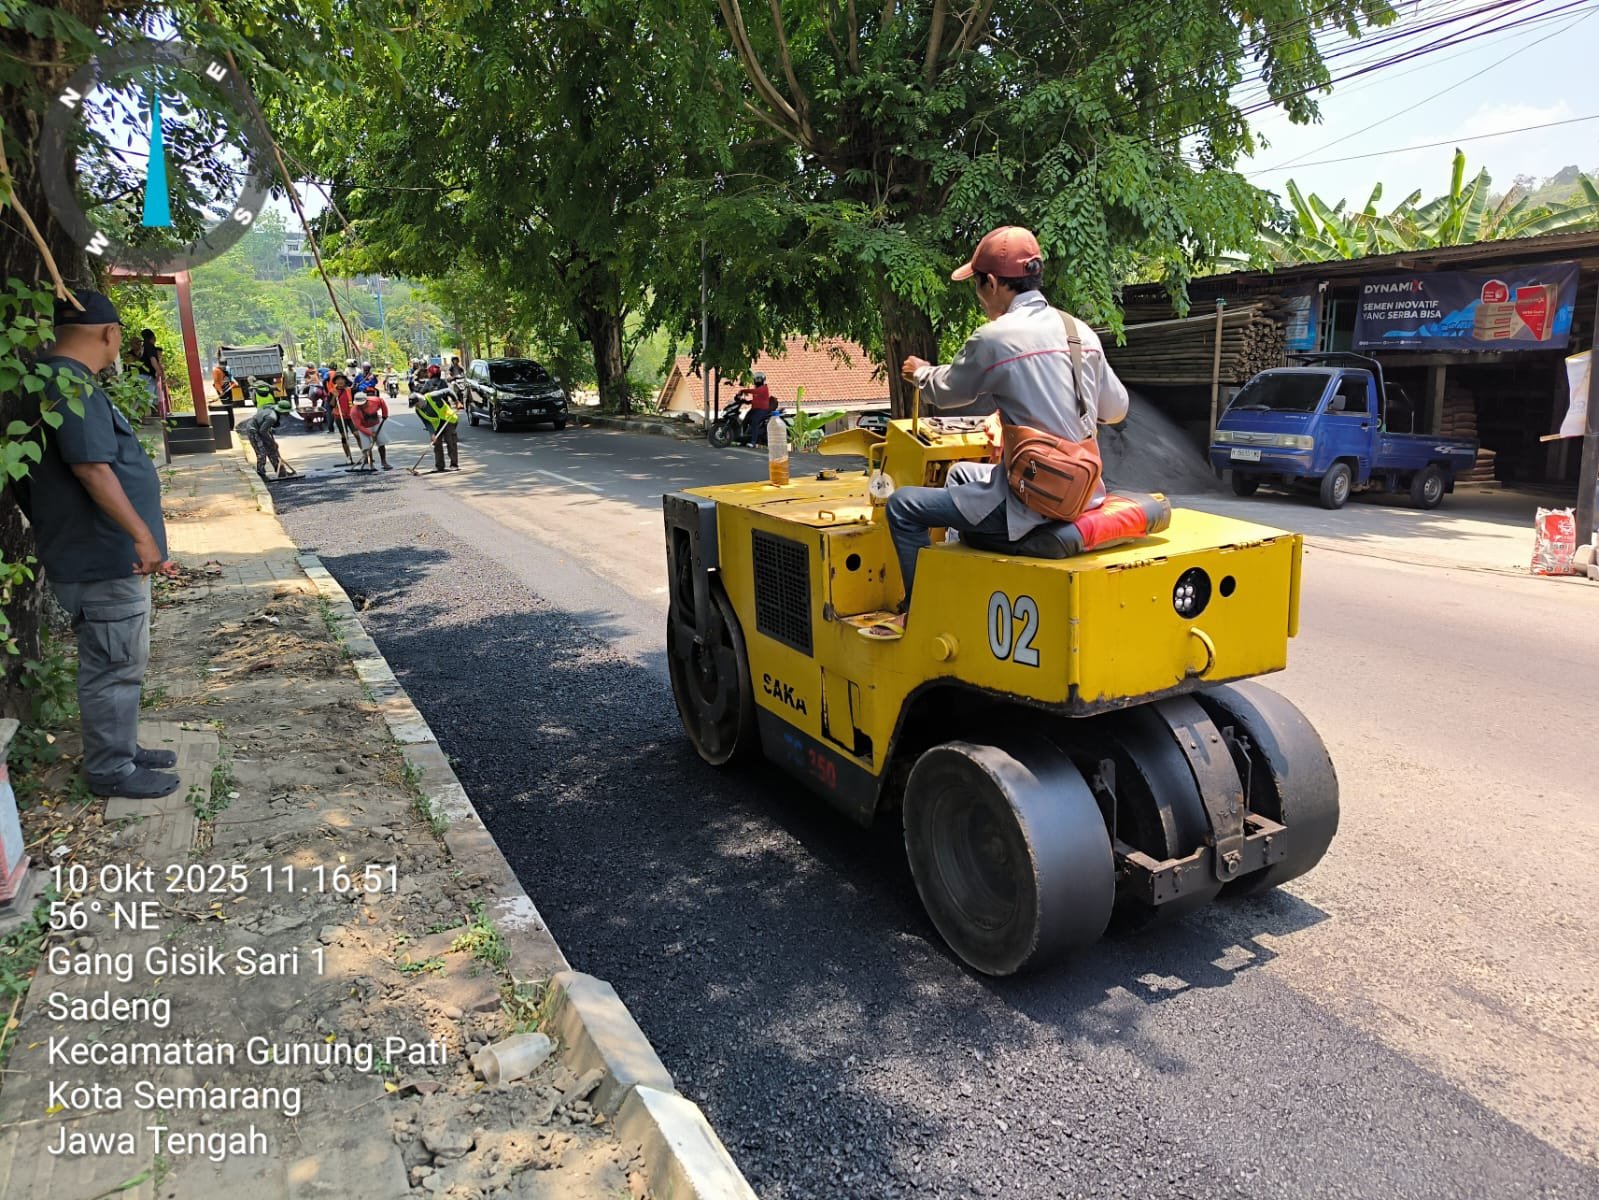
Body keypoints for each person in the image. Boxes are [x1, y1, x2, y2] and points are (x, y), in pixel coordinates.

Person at [888, 225, 1129, 607]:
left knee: (902, 506)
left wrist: (920, 372)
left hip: (1032, 504)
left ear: (995, 283)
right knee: (961, 474)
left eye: (979, 286)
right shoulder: (1078, 331)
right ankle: (971, 581)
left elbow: (948, 392)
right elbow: (1116, 410)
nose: (980, 297)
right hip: (1084, 494)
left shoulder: (996, 337)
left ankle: (924, 609)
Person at [20, 291, 180, 799]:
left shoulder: (57, 381)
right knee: (113, 665)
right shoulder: (67, 385)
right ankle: (111, 769)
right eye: (120, 339)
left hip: (95, 553)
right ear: (109, 334)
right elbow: (91, 467)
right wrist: (141, 535)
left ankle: (122, 749)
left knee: (121, 661)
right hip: (102, 557)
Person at [415, 366, 460, 472]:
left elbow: (423, 394)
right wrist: (432, 433)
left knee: (439, 443)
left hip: (445, 416)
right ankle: (453, 464)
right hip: (440, 416)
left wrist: (457, 402)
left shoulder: (428, 387)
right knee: (450, 442)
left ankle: (440, 466)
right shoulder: (443, 382)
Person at [235, 399, 289, 480]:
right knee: (261, 452)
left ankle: (280, 470)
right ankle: (261, 474)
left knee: (272, 449)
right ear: (282, 411)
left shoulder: (272, 409)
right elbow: (262, 431)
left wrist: (272, 443)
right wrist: (272, 441)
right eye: (286, 412)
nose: (287, 414)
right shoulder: (272, 417)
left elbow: (264, 428)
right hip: (253, 430)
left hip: (261, 428)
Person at [349, 391, 392, 470]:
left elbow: (382, 402)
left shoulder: (375, 401)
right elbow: (358, 426)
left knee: (381, 443)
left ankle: (384, 462)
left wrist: (385, 414)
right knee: (367, 447)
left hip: (376, 424)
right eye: (359, 404)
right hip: (364, 427)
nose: (361, 406)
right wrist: (370, 434)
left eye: (363, 404)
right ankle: (371, 464)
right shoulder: (354, 411)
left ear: (367, 401)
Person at [735, 372, 776, 445]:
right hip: (754, 409)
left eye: (759, 379)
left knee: (754, 422)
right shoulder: (757, 389)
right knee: (745, 421)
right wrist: (747, 402)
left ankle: (753, 442)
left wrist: (743, 391)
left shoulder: (764, 388)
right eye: (757, 379)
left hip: (762, 410)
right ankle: (743, 440)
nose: (758, 381)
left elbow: (755, 392)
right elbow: (757, 399)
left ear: (763, 380)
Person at [133, 329, 165, 414]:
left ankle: (153, 416)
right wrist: (159, 371)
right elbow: (153, 359)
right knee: (146, 399)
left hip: (143, 375)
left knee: (152, 398)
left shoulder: (143, 346)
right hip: (146, 376)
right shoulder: (149, 346)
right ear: (153, 337)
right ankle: (140, 418)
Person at [327, 371, 355, 462]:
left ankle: (365, 455)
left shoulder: (350, 390)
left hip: (350, 415)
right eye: (338, 379)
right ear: (335, 381)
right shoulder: (332, 391)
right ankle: (348, 457)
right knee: (344, 437)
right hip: (339, 416)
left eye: (341, 379)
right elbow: (331, 405)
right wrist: (335, 397)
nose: (340, 381)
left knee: (357, 434)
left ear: (344, 380)